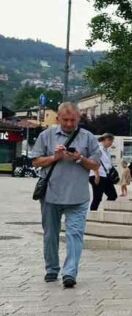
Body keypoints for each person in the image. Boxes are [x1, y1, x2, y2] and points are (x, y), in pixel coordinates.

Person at [29, 102, 101, 288]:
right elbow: (36, 162)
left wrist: (80, 158)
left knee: (75, 235)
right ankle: (52, 269)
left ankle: (70, 273)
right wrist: (54, 157)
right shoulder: (46, 136)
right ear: (58, 118)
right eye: (65, 120)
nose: (69, 124)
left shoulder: (88, 138)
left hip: (78, 196)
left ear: (79, 119)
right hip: (51, 194)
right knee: (51, 234)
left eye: (73, 120)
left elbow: (95, 165)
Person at [90, 132, 119, 211]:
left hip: (105, 176)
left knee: (112, 195)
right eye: (111, 141)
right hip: (98, 175)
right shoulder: (98, 149)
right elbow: (93, 161)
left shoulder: (105, 150)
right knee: (97, 197)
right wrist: (97, 175)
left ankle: (106, 211)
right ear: (106, 139)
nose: (111, 143)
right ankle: (93, 213)